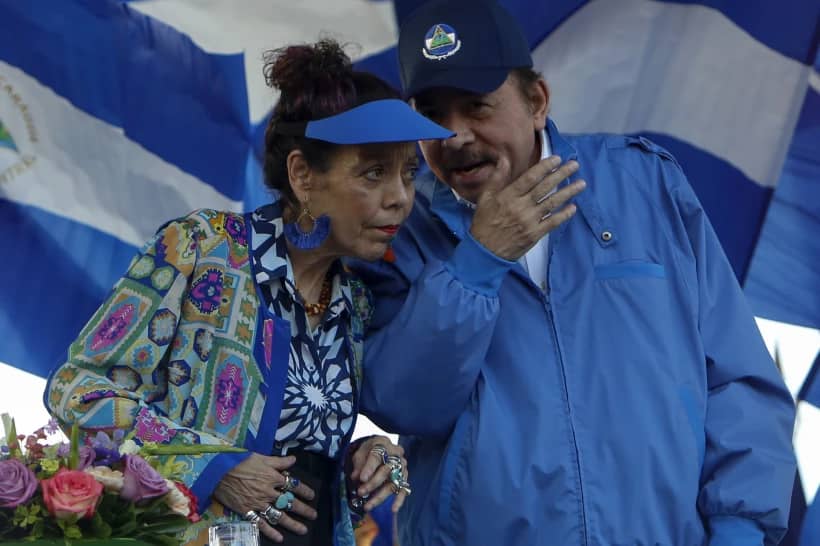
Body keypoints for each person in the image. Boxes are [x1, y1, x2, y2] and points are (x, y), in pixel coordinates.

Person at [350, 1, 797, 545]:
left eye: (477, 106)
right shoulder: (399, 228)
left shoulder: (645, 184)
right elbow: (405, 402)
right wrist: (478, 261)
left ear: (536, 100)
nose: (455, 136)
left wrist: (739, 533)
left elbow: (738, 381)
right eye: (431, 115)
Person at [43, 39, 452, 546]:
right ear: (303, 176)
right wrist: (215, 465)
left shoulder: (357, 302)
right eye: (374, 173)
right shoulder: (201, 248)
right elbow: (76, 391)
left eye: (408, 174)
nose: (400, 198)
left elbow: (299, 460)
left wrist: (367, 456)